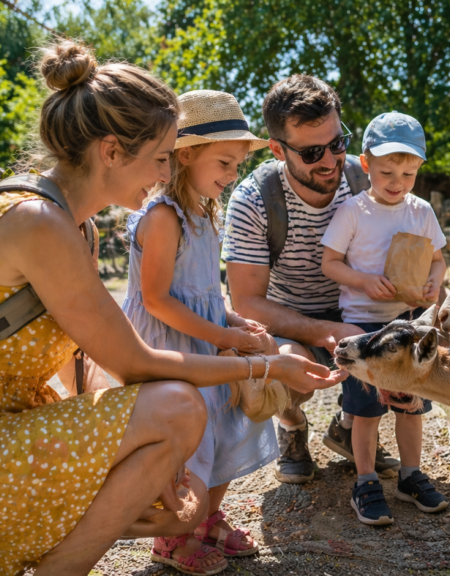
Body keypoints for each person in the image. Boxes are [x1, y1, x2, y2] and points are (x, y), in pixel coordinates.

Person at [0, 41, 343, 576]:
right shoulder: (37, 222)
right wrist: (265, 366)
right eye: (160, 158)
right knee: (179, 408)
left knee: (168, 421)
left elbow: (86, 366)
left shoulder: (76, 226)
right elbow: (138, 365)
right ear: (111, 151)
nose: (165, 174)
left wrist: (152, 468)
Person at [122, 90, 277, 574]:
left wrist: (230, 320)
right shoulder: (165, 216)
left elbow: (205, 291)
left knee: (227, 430)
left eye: (236, 166)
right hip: (170, 347)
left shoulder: (206, 213)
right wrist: (225, 336)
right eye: (225, 163)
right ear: (185, 155)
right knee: (190, 445)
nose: (232, 176)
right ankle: (172, 536)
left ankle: (206, 519)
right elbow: (157, 299)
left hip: (207, 337)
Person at [222, 75, 403, 484]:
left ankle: (346, 426)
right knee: (288, 370)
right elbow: (248, 303)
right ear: (276, 149)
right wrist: (327, 329)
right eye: (311, 152)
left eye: (338, 143)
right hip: (288, 315)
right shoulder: (253, 200)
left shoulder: (368, 180)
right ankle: (291, 425)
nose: (330, 161)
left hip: (357, 306)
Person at [320, 111, 449, 525]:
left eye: (408, 173)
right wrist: (362, 281)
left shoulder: (421, 211)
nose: (397, 182)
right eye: (387, 171)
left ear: (419, 170)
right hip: (364, 326)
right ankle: (366, 479)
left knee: (411, 404)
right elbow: (330, 263)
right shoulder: (353, 211)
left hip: (410, 322)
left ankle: (410, 475)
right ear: (365, 164)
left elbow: (438, 259)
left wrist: (434, 284)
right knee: (366, 409)